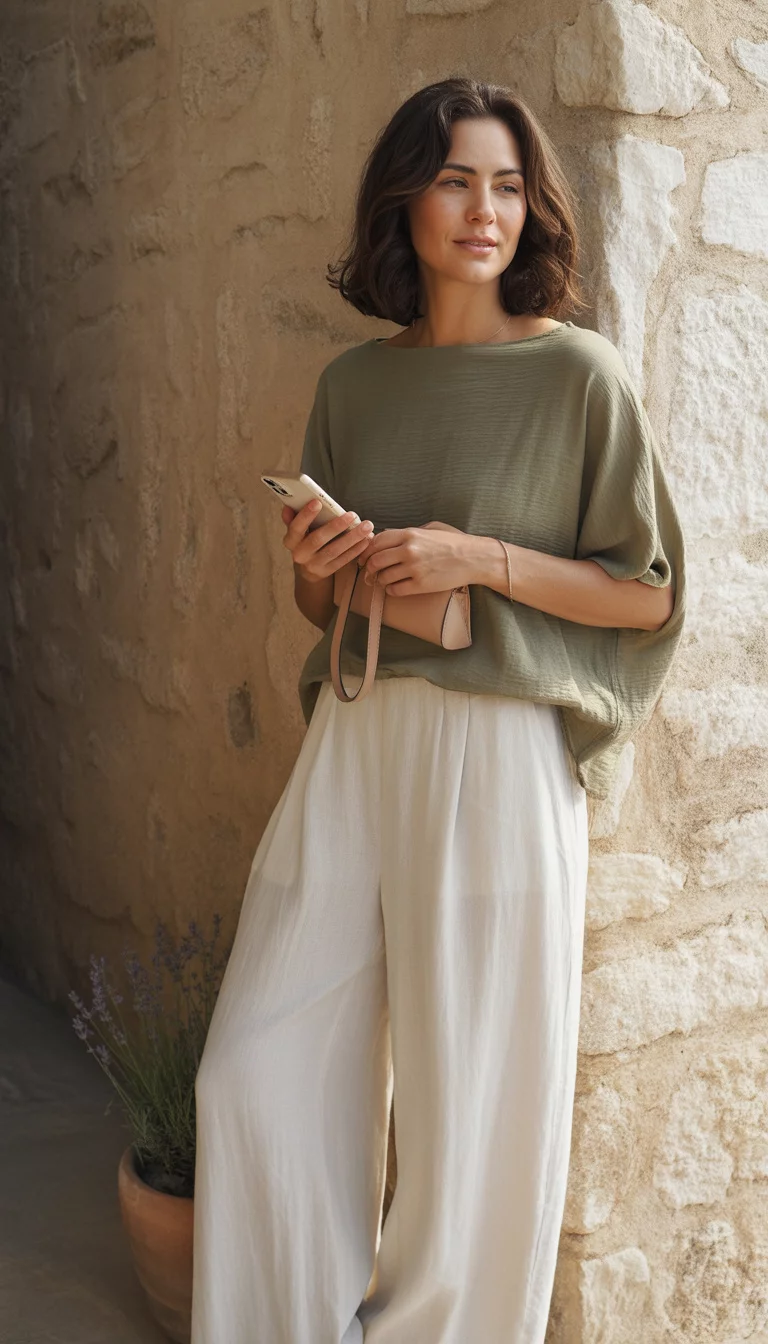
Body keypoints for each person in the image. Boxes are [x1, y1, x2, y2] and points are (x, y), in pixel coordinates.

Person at [191, 76, 686, 1344]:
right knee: (254, 1068)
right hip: (357, 740)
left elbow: (647, 597)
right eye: (459, 179)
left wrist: (481, 561)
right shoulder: (353, 387)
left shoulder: (581, 377)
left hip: (498, 754)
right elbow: (322, 615)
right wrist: (319, 564)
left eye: (510, 185)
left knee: (475, 1112)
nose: (486, 210)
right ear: (405, 199)